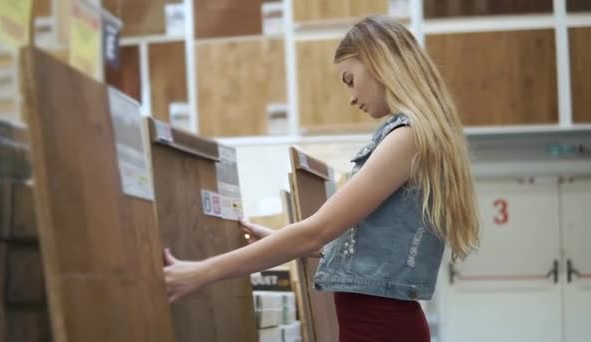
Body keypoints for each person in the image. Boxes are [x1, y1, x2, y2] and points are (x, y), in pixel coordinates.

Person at [164, 15, 479, 342]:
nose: (351, 97)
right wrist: (277, 239)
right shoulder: (413, 136)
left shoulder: (406, 138)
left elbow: (315, 232)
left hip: (380, 330)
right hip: (380, 326)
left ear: (378, 62)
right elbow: (370, 248)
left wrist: (199, 273)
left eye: (349, 79)